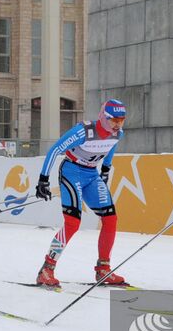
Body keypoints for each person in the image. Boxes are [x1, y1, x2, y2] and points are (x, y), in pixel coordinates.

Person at [32, 99, 129, 288]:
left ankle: (103, 269)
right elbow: (55, 149)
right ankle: (47, 269)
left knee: (110, 218)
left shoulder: (118, 134)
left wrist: (106, 170)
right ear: (103, 117)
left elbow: (110, 149)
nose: (117, 124)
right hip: (71, 171)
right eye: (113, 120)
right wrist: (43, 179)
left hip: (92, 174)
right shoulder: (84, 131)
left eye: (121, 120)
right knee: (72, 222)